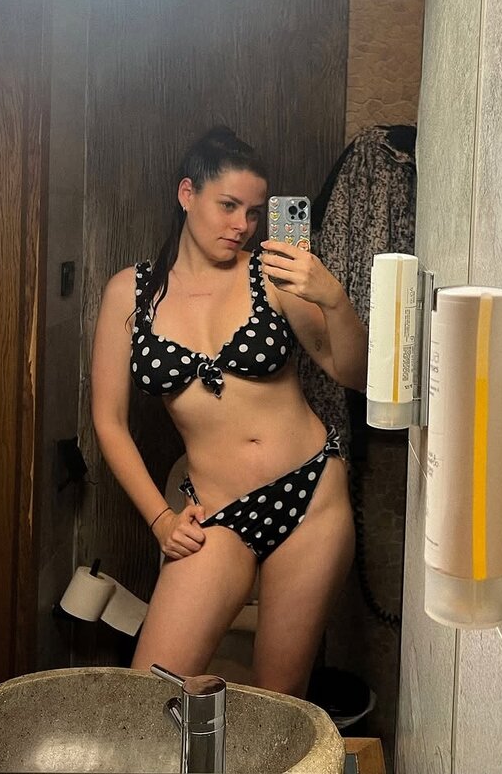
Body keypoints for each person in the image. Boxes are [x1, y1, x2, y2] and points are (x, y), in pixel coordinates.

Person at [91, 126, 367, 698]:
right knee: (149, 695)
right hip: (215, 514)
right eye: (228, 205)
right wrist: (161, 520)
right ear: (187, 193)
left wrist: (333, 298)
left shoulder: (272, 273)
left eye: (254, 212)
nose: (243, 224)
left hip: (309, 496)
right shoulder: (131, 293)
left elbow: (353, 373)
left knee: (278, 704)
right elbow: (109, 422)